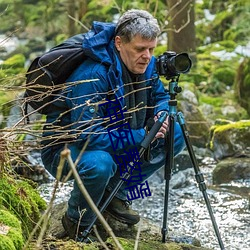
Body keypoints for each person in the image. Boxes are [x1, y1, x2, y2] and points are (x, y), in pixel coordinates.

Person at [41, 9, 185, 241]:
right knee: (100, 164)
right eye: (140, 49)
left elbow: (159, 96)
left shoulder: (145, 64)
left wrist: (161, 114)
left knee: (175, 132)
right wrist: (142, 135)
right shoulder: (92, 75)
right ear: (119, 43)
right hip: (67, 149)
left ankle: (116, 192)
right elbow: (87, 136)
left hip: (117, 136)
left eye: (152, 49)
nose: (147, 56)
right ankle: (76, 221)